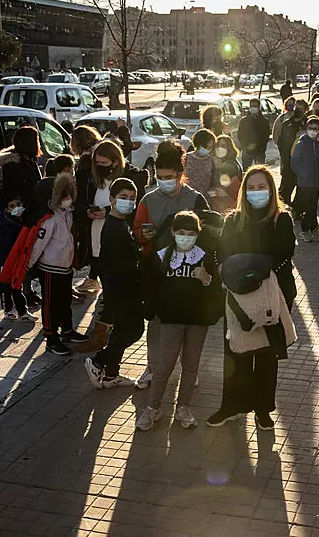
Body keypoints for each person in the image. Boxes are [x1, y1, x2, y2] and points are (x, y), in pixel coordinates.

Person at [207, 166, 296, 430]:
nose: (257, 193)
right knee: (236, 351)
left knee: (267, 354)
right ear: (244, 191)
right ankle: (232, 406)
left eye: (262, 187)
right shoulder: (234, 219)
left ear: (271, 190)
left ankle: (263, 409)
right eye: (252, 188)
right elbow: (222, 251)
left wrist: (251, 273)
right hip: (237, 295)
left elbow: (284, 254)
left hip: (272, 295)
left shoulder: (282, 219)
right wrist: (227, 272)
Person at [133, 140, 211, 390]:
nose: (163, 181)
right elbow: (136, 230)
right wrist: (143, 236)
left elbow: (208, 234)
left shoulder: (195, 199)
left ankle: (190, 370)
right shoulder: (148, 199)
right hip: (157, 272)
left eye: (168, 177)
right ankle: (152, 368)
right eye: (159, 177)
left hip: (187, 274)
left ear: (180, 175)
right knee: (156, 323)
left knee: (188, 324)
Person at [136, 211, 218, 431]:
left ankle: (184, 407)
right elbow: (151, 286)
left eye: (191, 233)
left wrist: (206, 279)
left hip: (197, 321)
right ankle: (153, 408)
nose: (186, 237)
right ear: (172, 232)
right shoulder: (162, 256)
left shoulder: (205, 257)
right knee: (163, 366)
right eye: (181, 233)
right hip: (171, 320)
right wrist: (154, 311)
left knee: (191, 367)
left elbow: (216, 290)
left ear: (198, 234)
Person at [84, 178, 144, 389]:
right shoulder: (114, 228)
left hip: (121, 288)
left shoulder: (120, 224)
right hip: (122, 289)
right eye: (123, 198)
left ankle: (111, 374)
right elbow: (117, 264)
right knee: (133, 330)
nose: (128, 202)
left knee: (121, 331)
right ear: (112, 199)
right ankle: (99, 361)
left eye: (132, 198)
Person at [28, 173, 88, 355]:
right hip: (50, 268)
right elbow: (38, 245)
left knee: (64, 301)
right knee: (50, 304)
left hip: (64, 267)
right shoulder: (50, 220)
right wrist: (28, 266)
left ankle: (67, 330)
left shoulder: (66, 213)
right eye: (64, 195)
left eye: (69, 193)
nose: (68, 198)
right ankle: (51, 337)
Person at [0, 125, 43, 307]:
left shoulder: (29, 160)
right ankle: (22, 293)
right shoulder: (15, 164)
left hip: (32, 213)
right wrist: (20, 212)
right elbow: (13, 191)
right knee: (23, 256)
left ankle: (27, 291)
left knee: (29, 256)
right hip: (23, 216)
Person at [75, 140, 125, 302]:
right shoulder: (90, 178)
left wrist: (109, 211)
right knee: (98, 255)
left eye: (104, 163)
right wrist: (87, 211)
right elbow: (80, 201)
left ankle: (111, 289)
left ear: (115, 161)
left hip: (114, 224)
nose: (100, 166)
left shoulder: (125, 176)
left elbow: (130, 203)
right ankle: (101, 284)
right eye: (97, 163)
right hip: (95, 224)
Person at [70, 125, 103, 296]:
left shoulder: (85, 161)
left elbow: (82, 190)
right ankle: (93, 277)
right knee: (97, 244)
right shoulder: (102, 153)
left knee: (92, 244)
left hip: (90, 208)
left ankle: (93, 278)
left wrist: (81, 210)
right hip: (101, 204)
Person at [0, 191, 37, 321]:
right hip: (6, 259)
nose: (16, 208)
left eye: (18, 204)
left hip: (9, 258)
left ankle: (15, 310)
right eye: (12, 206)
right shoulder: (9, 224)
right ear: (7, 208)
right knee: (11, 286)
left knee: (12, 286)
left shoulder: (13, 221)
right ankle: (17, 310)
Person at [291, 116, 319, 242]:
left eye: (315, 129)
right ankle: (305, 230)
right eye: (310, 128)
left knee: (313, 207)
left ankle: (313, 229)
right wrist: (303, 173)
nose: (313, 131)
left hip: (316, 182)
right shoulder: (301, 144)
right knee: (307, 207)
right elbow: (294, 163)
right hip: (305, 182)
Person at [273, 97, 308, 212]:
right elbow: (279, 140)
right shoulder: (287, 122)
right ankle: (282, 206)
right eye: (296, 108)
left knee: (301, 186)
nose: (298, 111)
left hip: (302, 161)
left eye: (301, 109)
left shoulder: (308, 124)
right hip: (288, 159)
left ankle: (297, 208)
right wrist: (284, 157)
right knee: (286, 185)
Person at [210, 134, 243, 214]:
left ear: (229, 148)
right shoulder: (228, 161)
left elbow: (222, 187)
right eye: (217, 145)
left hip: (226, 206)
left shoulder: (229, 165)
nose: (219, 148)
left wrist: (217, 168)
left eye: (223, 146)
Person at [238, 98, 271, 169]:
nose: (253, 108)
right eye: (251, 106)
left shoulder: (264, 121)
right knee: (246, 172)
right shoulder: (244, 121)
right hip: (247, 151)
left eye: (255, 106)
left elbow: (266, 136)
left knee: (260, 172)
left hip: (259, 152)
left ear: (259, 108)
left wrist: (257, 145)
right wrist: (246, 146)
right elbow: (240, 135)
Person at [185, 128, 216, 198]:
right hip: (187, 197)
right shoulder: (186, 158)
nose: (208, 149)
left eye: (210, 147)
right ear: (198, 144)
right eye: (205, 146)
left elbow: (213, 180)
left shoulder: (210, 160)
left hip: (205, 198)